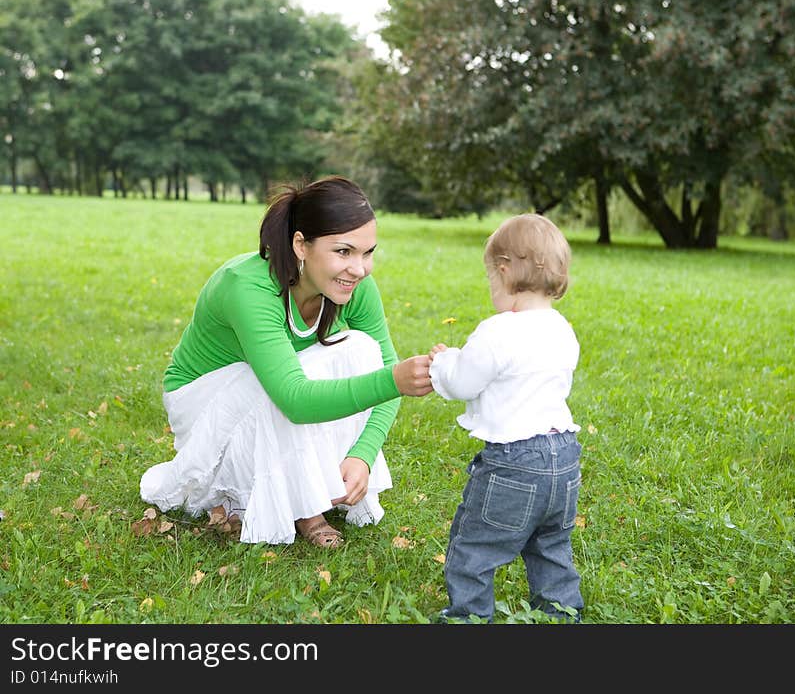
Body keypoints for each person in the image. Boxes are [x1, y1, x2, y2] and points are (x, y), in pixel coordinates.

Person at [140, 176, 433, 548]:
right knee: (281, 381)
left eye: (367, 252)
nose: (359, 268)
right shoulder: (247, 287)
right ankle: (305, 509)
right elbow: (294, 398)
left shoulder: (352, 286)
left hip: (276, 390)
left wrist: (364, 454)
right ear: (300, 245)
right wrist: (395, 380)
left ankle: (320, 480)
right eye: (343, 252)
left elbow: (381, 366)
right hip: (207, 404)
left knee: (359, 348)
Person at [428, 213, 584, 622]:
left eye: (490, 280)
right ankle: (561, 615)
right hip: (564, 457)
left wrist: (443, 362)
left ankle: (468, 618)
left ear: (502, 272)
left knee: (474, 547)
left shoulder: (497, 332)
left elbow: (463, 383)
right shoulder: (563, 329)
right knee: (551, 547)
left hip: (514, 463)